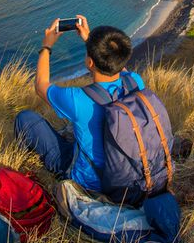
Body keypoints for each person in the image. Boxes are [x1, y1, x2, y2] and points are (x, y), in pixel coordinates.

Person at [14, 15, 145, 193]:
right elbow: (117, 66)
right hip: (127, 175)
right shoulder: (135, 82)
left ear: (90, 62)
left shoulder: (79, 99)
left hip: (89, 181)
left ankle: (25, 165)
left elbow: (40, 86)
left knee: (25, 118)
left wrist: (46, 46)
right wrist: (92, 41)